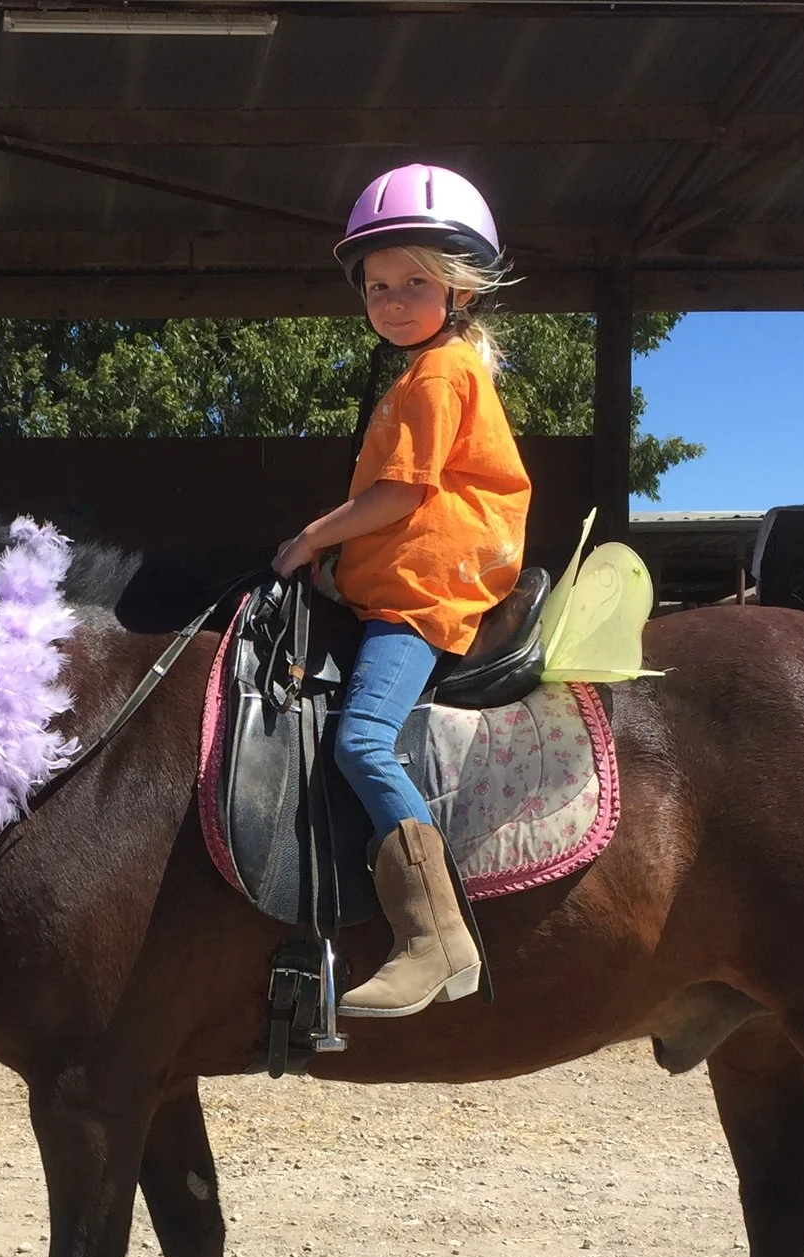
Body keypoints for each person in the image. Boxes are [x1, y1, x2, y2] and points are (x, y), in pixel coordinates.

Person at [274, 164, 533, 1018]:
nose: (390, 298)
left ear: (459, 289)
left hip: (426, 593)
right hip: (400, 579)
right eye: (378, 284)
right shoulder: (425, 373)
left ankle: (435, 937)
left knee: (362, 743)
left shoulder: (438, 375)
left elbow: (401, 497)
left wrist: (312, 536)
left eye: (414, 280)